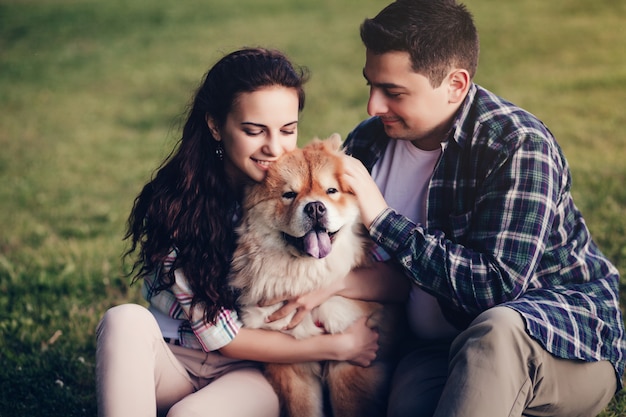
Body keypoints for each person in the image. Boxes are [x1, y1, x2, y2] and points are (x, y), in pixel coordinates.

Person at [269, 1, 626, 416]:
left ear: (456, 85)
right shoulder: (370, 142)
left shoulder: (516, 145)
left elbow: (495, 289)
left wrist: (384, 219)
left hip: (557, 344)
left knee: (497, 330)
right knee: (403, 405)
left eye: (393, 92)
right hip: (436, 349)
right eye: (371, 85)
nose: (373, 106)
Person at [95, 47, 379, 417]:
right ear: (216, 125)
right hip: (171, 361)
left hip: (245, 375)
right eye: (253, 130)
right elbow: (222, 338)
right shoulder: (178, 206)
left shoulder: (285, 197)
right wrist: (337, 348)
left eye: (287, 130)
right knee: (124, 319)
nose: (274, 147)